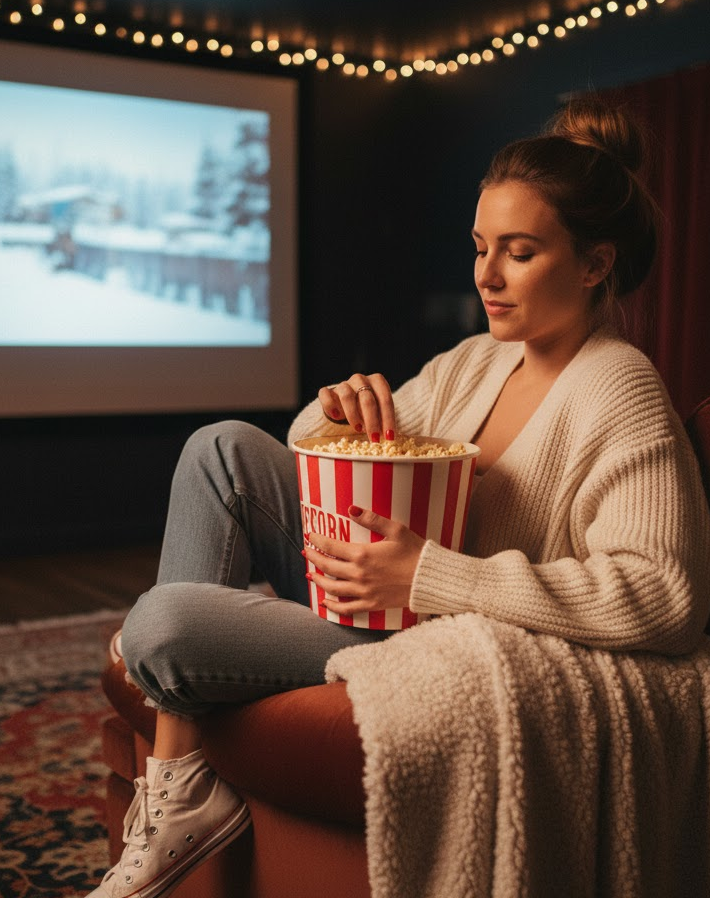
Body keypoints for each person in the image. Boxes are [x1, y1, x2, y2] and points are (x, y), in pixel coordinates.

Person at [84, 96, 710, 898]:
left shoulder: (620, 388)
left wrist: (430, 575)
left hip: (430, 638)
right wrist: (338, 410)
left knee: (163, 625)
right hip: (368, 593)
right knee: (222, 449)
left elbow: (666, 597)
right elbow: (317, 450)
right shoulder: (479, 359)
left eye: (519, 253)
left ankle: (177, 783)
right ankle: (182, 787)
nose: (486, 274)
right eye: (481, 247)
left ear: (594, 264)